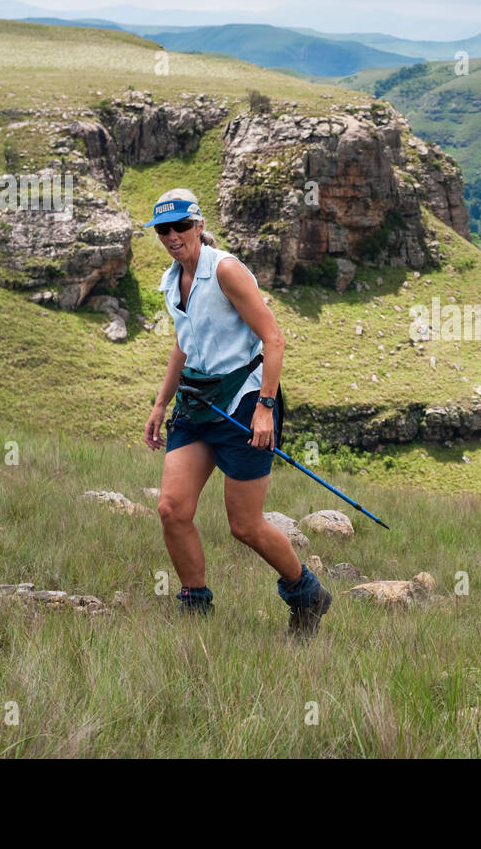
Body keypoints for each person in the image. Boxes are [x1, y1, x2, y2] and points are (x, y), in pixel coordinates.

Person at [141, 188, 332, 637]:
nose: (172, 236)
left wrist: (264, 409)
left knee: (244, 525)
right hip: (196, 403)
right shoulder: (173, 280)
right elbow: (183, 346)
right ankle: (195, 607)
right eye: (163, 230)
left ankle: (307, 595)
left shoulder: (224, 270)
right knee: (171, 508)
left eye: (180, 227)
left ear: (199, 225)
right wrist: (160, 404)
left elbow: (275, 340)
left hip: (244, 403)